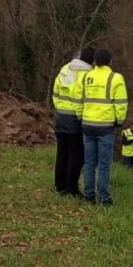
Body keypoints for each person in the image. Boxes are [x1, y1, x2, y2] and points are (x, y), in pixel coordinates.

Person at [74, 48, 127, 205]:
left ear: (94, 62)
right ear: (110, 61)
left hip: (88, 124)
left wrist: (80, 116)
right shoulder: (116, 78)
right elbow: (121, 103)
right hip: (106, 127)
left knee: (89, 162)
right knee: (104, 164)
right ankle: (104, 197)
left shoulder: (85, 77)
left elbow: (79, 99)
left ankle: (89, 195)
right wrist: (119, 120)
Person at [50, 47, 94, 196]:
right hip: (76, 119)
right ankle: (72, 188)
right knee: (76, 155)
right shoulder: (87, 75)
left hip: (61, 116)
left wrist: (59, 109)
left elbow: (55, 92)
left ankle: (59, 185)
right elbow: (83, 98)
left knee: (62, 153)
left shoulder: (65, 69)